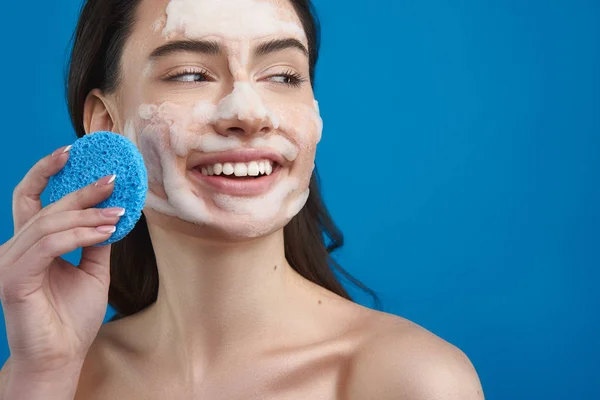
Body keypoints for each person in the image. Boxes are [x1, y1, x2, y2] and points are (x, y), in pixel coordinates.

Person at [0, 0, 484, 398]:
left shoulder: (411, 381)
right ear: (106, 124)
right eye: (191, 73)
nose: (249, 114)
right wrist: (42, 376)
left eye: (283, 76)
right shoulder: (52, 378)